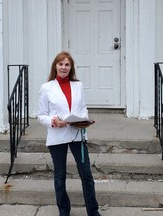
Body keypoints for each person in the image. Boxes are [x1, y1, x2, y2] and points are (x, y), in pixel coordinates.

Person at [37, 51, 101, 216]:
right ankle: (64, 211)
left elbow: (83, 108)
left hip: (77, 134)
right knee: (60, 176)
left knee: (86, 174)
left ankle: (93, 212)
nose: (64, 67)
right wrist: (52, 121)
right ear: (55, 66)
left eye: (67, 64)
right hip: (57, 135)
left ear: (71, 67)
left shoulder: (78, 85)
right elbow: (41, 115)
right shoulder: (47, 88)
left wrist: (85, 120)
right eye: (61, 64)